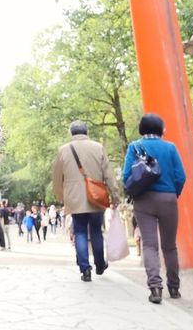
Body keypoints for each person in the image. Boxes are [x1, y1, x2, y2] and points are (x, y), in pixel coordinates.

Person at [122, 113, 186, 305]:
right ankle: (174, 287)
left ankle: (155, 287)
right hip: (168, 199)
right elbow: (180, 176)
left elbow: (126, 176)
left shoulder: (134, 147)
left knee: (149, 245)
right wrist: (173, 194)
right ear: (160, 129)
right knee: (170, 245)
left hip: (143, 200)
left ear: (142, 128)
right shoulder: (170, 147)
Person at [52, 120, 120, 282]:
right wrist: (115, 195)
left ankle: (85, 269)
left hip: (74, 198)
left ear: (72, 133)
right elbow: (108, 175)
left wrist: (61, 197)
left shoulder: (63, 150)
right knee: (96, 231)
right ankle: (99, 264)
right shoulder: (98, 148)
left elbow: (56, 177)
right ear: (86, 132)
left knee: (80, 231)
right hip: (96, 196)